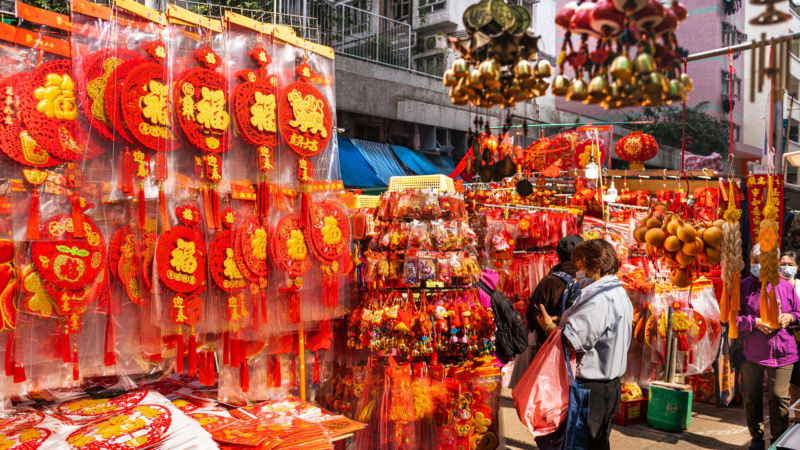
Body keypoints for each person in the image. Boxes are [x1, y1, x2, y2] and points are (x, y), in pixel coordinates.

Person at [537, 239, 633, 450]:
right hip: (608, 386)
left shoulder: (598, 298)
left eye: (580, 268)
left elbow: (574, 340)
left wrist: (548, 327)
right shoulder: (617, 291)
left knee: (584, 444)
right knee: (597, 443)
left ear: (596, 268)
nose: (577, 273)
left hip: (592, 388)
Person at [739, 244, 800, 449]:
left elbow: (799, 315)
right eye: (755, 261)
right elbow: (729, 321)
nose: (759, 265)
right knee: (751, 397)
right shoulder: (742, 286)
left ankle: (778, 439)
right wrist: (753, 323)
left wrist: (790, 317)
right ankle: (756, 438)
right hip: (750, 353)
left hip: (783, 352)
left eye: (764, 261)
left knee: (778, 397)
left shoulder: (786, 286)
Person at [510, 235, 583, 389]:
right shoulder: (588, 281)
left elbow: (533, 315)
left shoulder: (549, 281)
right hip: (581, 352)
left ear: (558, 256)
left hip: (551, 347)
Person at [777, 251, 800, 421]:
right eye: (782, 264)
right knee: (789, 384)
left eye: (791, 264)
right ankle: (793, 418)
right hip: (783, 341)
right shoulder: (771, 287)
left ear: (797, 268)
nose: (786, 267)